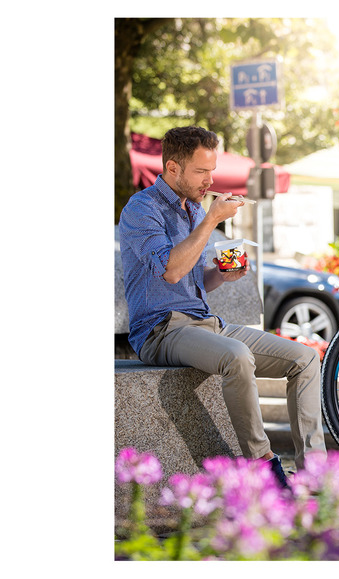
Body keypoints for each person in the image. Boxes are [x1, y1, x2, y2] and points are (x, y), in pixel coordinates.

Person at [119, 126, 326, 489]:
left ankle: (316, 474)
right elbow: (170, 270)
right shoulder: (142, 209)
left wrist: (222, 275)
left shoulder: (194, 211)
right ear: (172, 169)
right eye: (201, 172)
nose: (209, 180)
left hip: (205, 323)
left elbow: (194, 277)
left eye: (211, 171)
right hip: (160, 330)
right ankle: (261, 463)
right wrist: (213, 220)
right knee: (237, 356)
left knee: (305, 359)